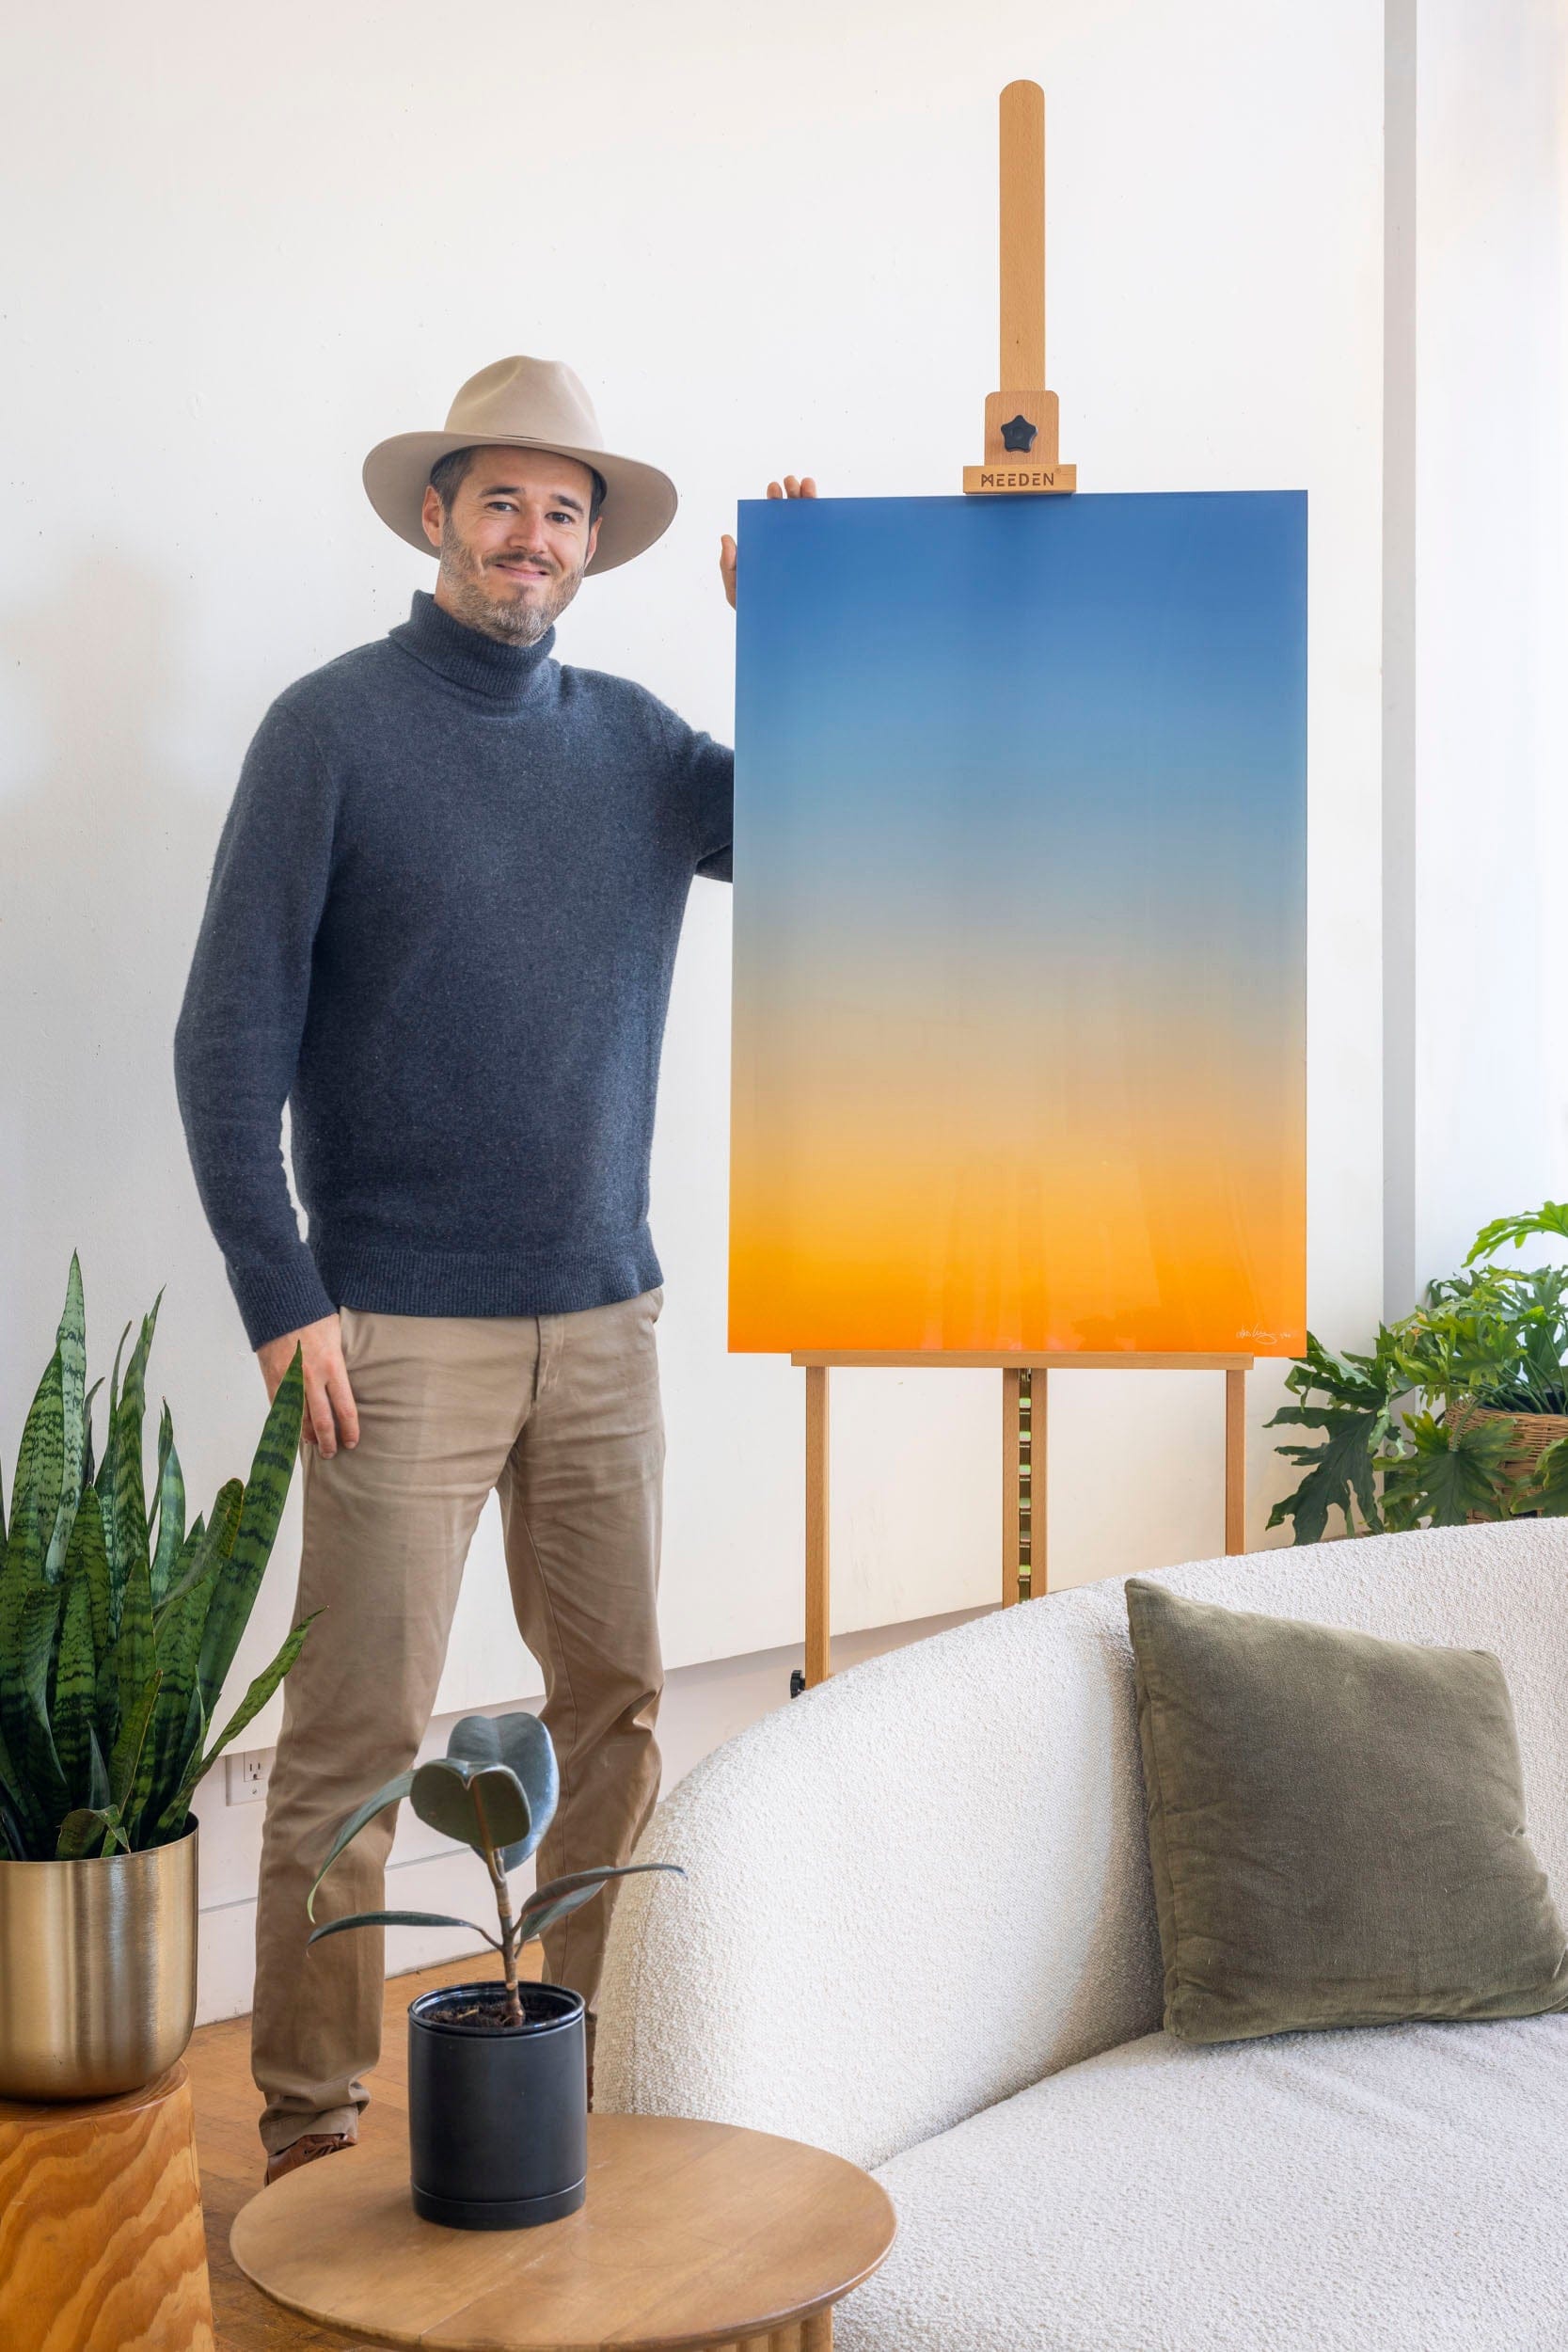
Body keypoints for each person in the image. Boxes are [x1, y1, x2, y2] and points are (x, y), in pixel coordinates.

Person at [173, 353, 816, 2181]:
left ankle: (568, 2074)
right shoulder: (330, 730)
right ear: (440, 516)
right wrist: (283, 1296)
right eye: (504, 500)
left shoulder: (639, 747)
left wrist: (795, 630)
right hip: (392, 1326)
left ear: (593, 547)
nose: (533, 534)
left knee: (614, 1707)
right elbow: (224, 1040)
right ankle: (309, 2128)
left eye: (565, 510)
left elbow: (820, 827)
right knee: (355, 1738)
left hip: (606, 1314)